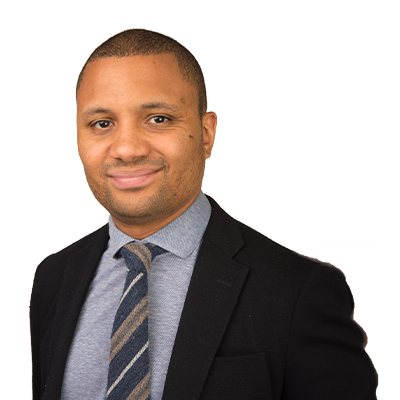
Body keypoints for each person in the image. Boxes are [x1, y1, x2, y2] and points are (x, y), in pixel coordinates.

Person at [30, 28, 377, 400]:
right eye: (102, 124)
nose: (127, 149)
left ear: (207, 133)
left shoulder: (298, 291)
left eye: (158, 119)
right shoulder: (53, 278)